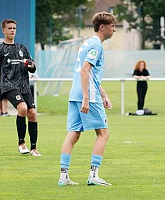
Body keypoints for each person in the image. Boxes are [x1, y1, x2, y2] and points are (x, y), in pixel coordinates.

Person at [58, 12, 116, 187]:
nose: (114, 29)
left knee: (73, 134)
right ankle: (94, 175)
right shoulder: (96, 46)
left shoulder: (86, 44)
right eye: (112, 26)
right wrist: (87, 98)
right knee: (103, 134)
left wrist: (104, 95)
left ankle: (63, 177)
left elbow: (89, 75)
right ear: (102, 27)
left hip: (75, 95)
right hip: (87, 97)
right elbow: (85, 70)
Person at [0, 19, 41, 156]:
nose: (12, 30)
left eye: (14, 28)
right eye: (9, 28)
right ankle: (21, 143)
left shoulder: (23, 48)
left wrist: (31, 66)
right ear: (3, 30)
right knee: (22, 108)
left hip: (24, 85)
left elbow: (32, 69)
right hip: (9, 85)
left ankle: (33, 148)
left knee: (33, 113)